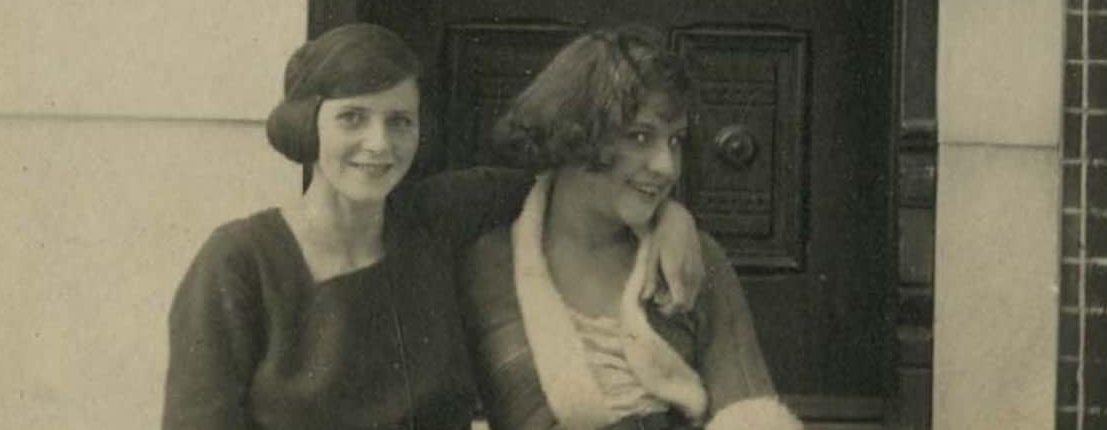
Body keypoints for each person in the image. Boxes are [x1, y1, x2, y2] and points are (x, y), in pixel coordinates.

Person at [161, 23, 536, 430]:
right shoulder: (240, 260)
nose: (380, 143)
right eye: (352, 118)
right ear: (307, 123)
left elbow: (560, 183)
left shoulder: (438, 220)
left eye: (400, 121)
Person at [460, 26, 804, 430]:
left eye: (676, 141)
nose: (667, 167)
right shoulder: (486, 264)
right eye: (640, 136)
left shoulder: (694, 258)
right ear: (575, 132)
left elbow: (750, 413)